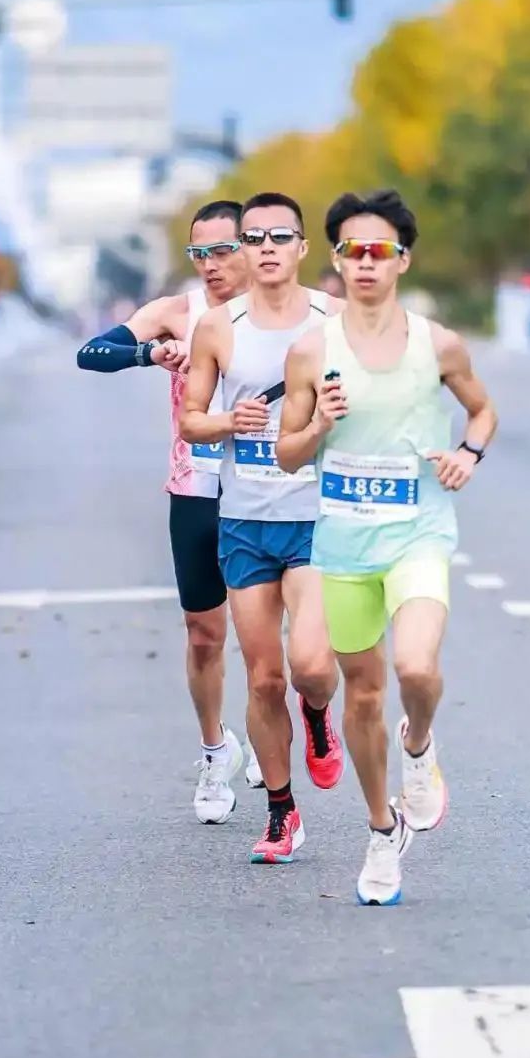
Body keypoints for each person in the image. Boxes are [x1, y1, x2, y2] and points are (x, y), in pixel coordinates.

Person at [278, 189, 498, 905]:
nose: (364, 264)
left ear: (402, 259)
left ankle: (420, 742)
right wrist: (318, 428)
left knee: (417, 667)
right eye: (351, 252)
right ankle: (381, 832)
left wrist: (468, 452)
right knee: (363, 695)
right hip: (342, 545)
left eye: (379, 252)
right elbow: (285, 453)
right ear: (336, 261)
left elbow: (483, 409)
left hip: (418, 531)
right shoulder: (311, 351)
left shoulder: (439, 345)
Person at [182, 192, 346, 865]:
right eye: (255, 238)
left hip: (317, 514)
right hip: (245, 517)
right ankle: (282, 812)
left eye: (282, 236)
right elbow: (192, 419)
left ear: (303, 248)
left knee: (309, 665)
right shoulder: (220, 328)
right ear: (243, 251)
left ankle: (317, 715)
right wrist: (230, 423)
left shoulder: (337, 320)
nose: (268, 248)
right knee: (262, 678)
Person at [77, 201, 252, 825]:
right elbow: (91, 353)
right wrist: (149, 355)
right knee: (205, 633)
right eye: (198, 253)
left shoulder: (285, 313)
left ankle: (270, 727)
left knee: (271, 636)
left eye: (223, 250)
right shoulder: (178, 313)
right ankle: (216, 751)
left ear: (253, 244)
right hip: (197, 489)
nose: (211, 265)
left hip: (272, 489)